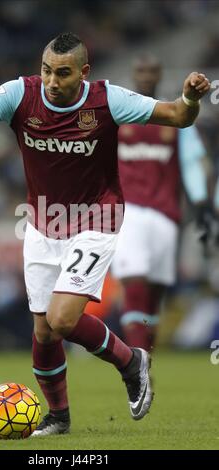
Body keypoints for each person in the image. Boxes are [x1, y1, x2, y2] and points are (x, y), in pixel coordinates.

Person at [0, 33, 210, 436]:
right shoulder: (19, 93)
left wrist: (189, 98)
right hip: (42, 222)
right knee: (43, 331)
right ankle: (59, 416)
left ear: (83, 72)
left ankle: (131, 361)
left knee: (63, 320)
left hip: (95, 218)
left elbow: (176, 116)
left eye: (63, 73)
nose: (52, 80)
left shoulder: (107, 100)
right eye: (47, 70)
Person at [111, 54, 211, 352]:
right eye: (140, 69)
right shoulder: (116, 116)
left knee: (153, 296)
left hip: (166, 217)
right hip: (128, 214)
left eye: (151, 70)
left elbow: (193, 163)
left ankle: (144, 358)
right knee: (134, 281)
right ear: (133, 73)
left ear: (158, 75)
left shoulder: (176, 117)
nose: (145, 75)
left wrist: (202, 204)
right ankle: (137, 363)